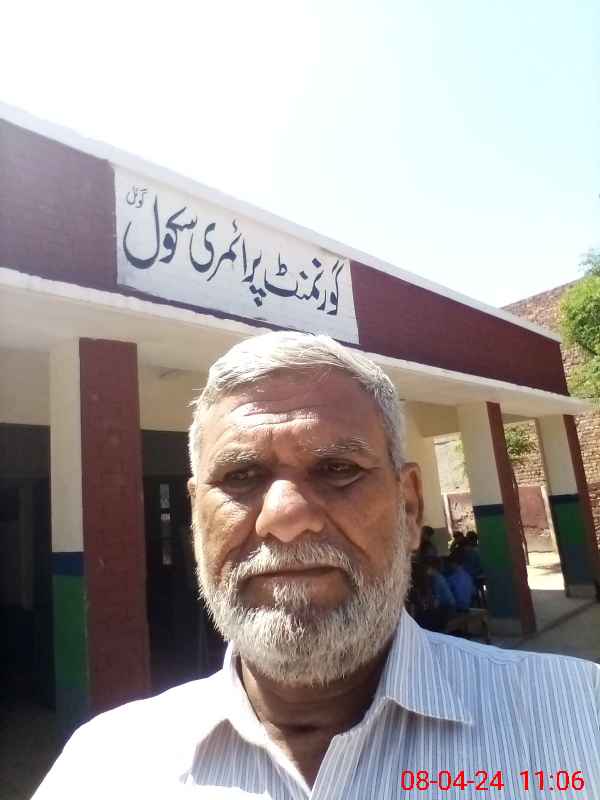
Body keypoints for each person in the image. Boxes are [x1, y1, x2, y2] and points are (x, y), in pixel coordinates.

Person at [34, 332, 600, 798]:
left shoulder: (580, 721)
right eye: (240, 477)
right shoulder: (103, 768)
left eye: (337, 470)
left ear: (408, 507)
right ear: (196, 518)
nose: (285, 518)